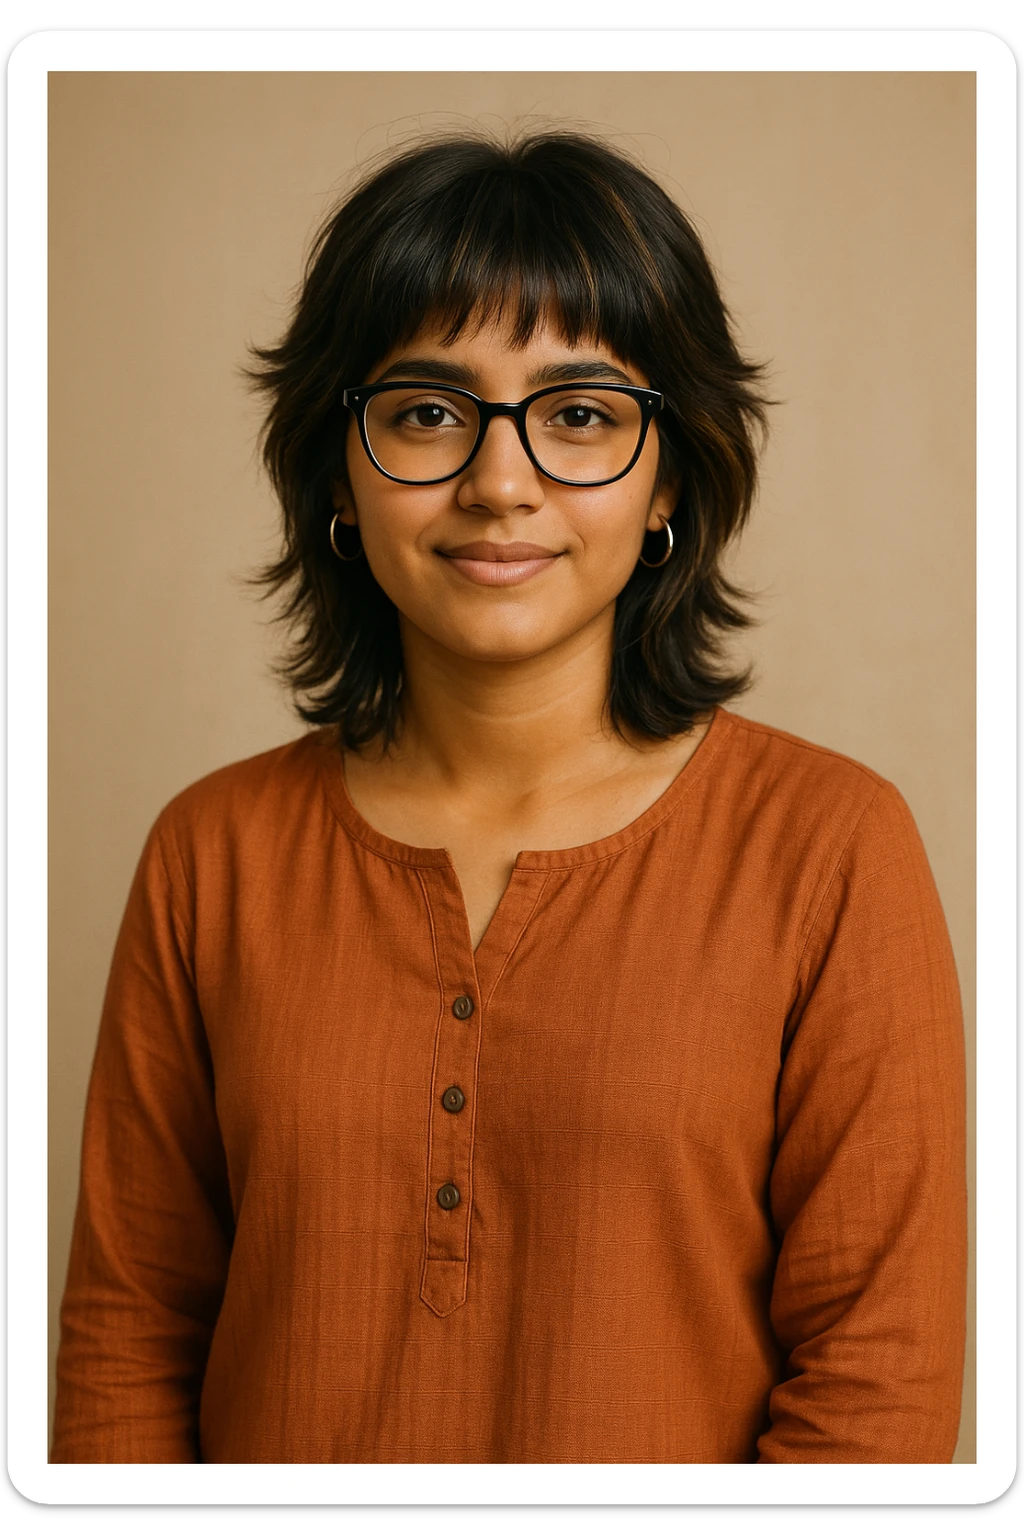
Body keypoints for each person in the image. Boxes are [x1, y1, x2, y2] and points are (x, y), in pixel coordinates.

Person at [51, 130, 967, 1465]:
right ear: (339, 473)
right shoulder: (212, 854)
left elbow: (880, 1382)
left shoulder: (829, 851)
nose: (499, 483)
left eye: (580, 414)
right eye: (428, 412)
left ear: (669, 477)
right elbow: (126, 1347)